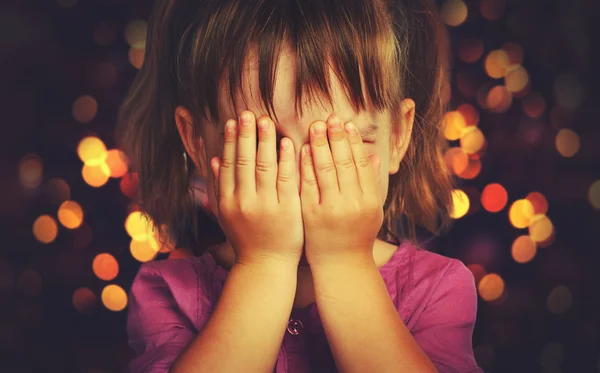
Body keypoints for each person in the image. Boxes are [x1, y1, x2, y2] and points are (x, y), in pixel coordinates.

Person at [118, 0, 483, 372]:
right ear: (196, 140)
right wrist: (264, 263)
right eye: (265, 146)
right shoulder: (168, 293)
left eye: (338, 146)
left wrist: (345, 262)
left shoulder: (437, 290)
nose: (301, 177)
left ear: (397, 136)